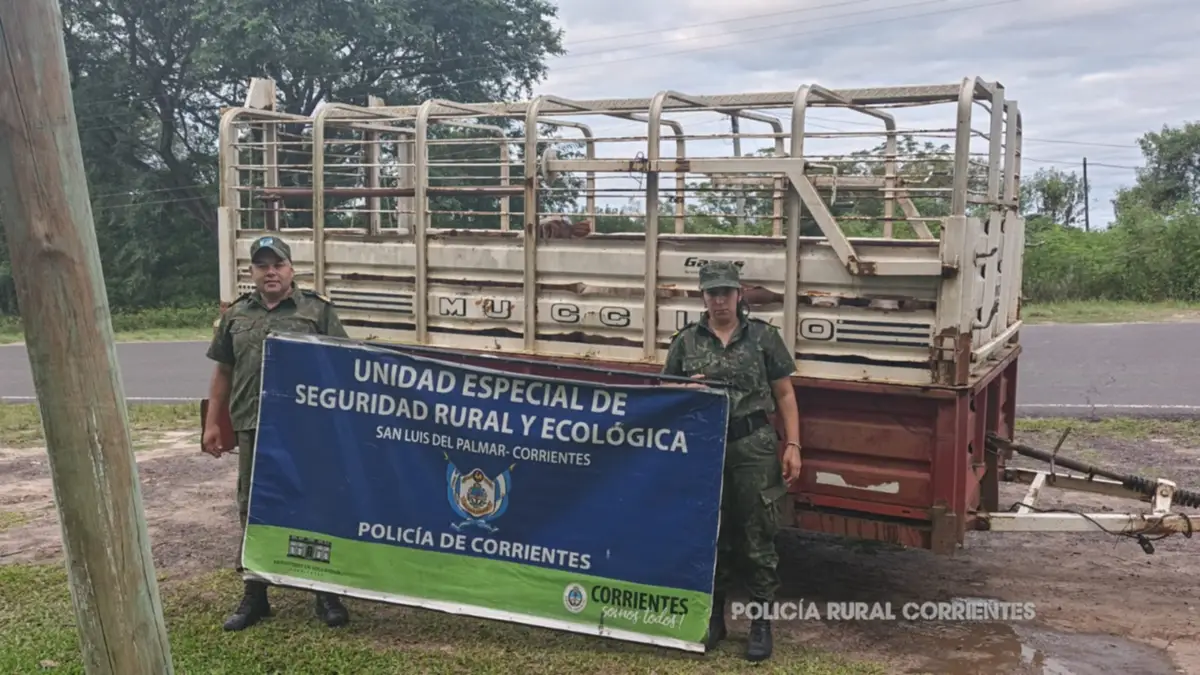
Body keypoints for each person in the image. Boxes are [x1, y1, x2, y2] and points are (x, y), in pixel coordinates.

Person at [201, 234, 352, 632]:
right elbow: (223, 371)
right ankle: (256, 593)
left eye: (278, 264)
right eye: (262, 265)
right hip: (253, 426)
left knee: (313, 503)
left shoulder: (316, 311)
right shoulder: (236, 315)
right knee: (253, 507)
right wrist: (212, 423)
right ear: (252, 272)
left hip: (305, 429)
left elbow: (341, 367)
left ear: (291, 269)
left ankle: (323, 591)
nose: (271, 272)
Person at [661, 260, 802, 662]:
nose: (720, 300)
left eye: (726, 292)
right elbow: (666, 389)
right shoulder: (686, 341)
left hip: (753, 445)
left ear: (739, 295)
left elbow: (785, 394)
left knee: (758, 535)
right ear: (703, 297)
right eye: (712, 293)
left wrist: (793, 444)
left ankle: (760, 624)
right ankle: (714, 618)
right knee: (712, 533)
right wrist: (685, 389)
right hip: (706, 448)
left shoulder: (763, 338)